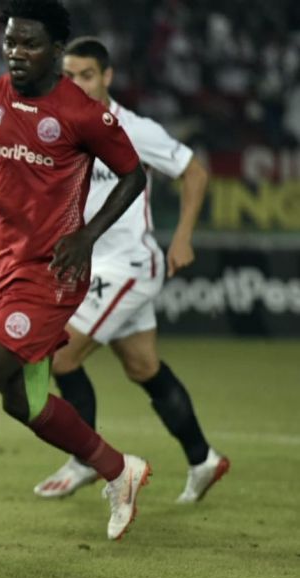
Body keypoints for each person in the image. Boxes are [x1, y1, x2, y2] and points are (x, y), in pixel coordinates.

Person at [0, 0, 152, 544]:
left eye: (29, 43)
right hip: (8, 265)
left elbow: (134, 176)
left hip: (53, 273)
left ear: (57, 51)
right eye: (11, 41)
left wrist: (87, 235)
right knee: (24, 402)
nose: (16, 52)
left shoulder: (83, 113)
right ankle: (119, 470)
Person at [32, 37, 228, 503]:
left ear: (107, 77)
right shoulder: (61, 126)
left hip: (128, 267)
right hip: (91, 265)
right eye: (69, 75)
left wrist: (181, 237)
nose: (77, 83)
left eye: (87, 75)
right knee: (143, 366)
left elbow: (194, 172)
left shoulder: (132, 128)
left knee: (61, 356)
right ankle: (204, 459)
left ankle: (85, 459)